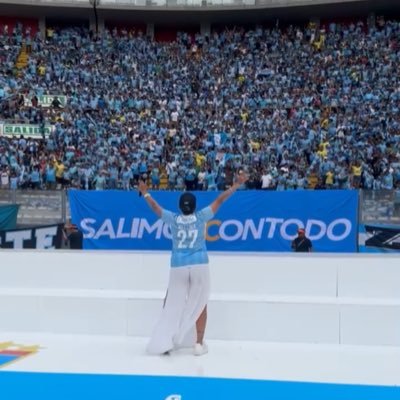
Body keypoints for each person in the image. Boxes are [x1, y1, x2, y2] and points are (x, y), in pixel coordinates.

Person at [138, 171, 248, 356]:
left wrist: (146, 192)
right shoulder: (201, 216)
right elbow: (220, 200)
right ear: (195, 206)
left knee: (171, 302)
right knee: (201, 302)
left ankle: (166, 341)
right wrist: (236, 185)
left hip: (178, 265)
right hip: (199, 264)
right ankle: (198, 343)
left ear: (180, 207)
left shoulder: (173, 219)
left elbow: (156, 208)